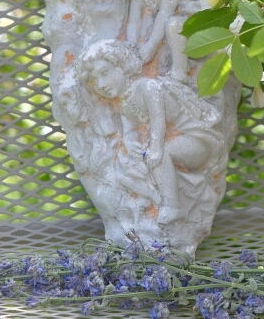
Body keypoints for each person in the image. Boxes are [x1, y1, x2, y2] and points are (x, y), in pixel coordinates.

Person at [76, 39, 224, 224]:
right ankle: (151, 200)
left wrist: (156, 148)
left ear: (122, 66)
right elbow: (130, 131)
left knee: (161, 155)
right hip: (172, 142)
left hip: (196, 140)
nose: (101, 84)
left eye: (104, 73)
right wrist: (130, 142)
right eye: (94, 81)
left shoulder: (147, 87)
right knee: (126, 163)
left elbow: (158, 121)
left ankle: (172, 206)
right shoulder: (124, 104)